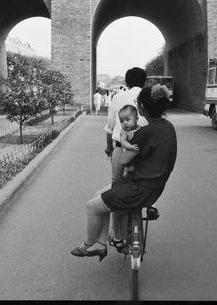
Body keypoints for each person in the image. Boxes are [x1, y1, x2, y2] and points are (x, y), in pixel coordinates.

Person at [71, 84, 177, 261]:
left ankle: (88, 245)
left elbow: (124, 160)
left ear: (141, 108)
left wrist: (124, 144)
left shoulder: (146, 132)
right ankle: (102, 243)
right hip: (155, 187)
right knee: (100, 195)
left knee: (92, 206)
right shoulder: (168, 127)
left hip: (138, 189)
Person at [102, 68, 148, 244]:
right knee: (143, 184)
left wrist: (108, 149)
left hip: (121, 149)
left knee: (117, 190)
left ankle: (118, 236)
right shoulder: (148, 96)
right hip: (145, 151)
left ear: (127, 83)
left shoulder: (118, 97)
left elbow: (111, 126)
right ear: (144, 82)